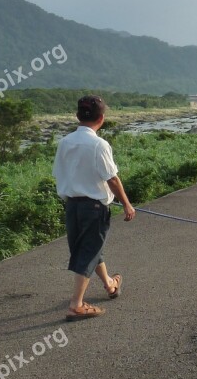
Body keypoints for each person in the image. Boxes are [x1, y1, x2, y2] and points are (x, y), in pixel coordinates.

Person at [53, 95, 136, 321]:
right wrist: (127, 204)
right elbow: (112, 179)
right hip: (94, 208)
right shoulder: (99, 144)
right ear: (101, 118)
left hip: (72, 206)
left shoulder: (65, 142)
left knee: (89, 249)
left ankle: (110, 285)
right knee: (89, 252)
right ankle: (76, 305)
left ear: (78, 116)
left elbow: (59, 173)